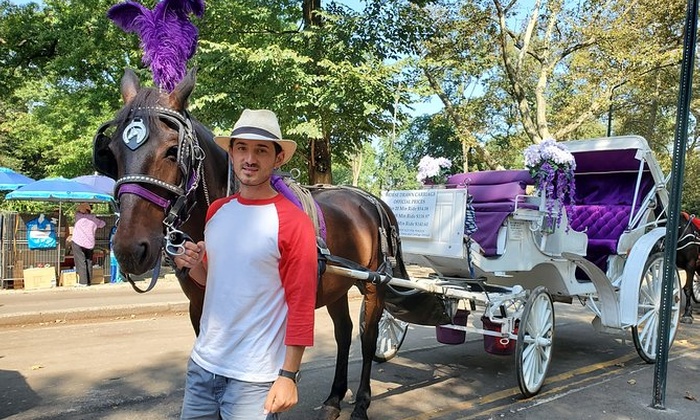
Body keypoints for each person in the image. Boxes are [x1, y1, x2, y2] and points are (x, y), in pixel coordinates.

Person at [174, 109, 318, 419]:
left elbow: (302, 305)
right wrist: (194, 262)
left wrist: (288, 375)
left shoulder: (294, 223)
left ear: (277, 158)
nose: (249, 158)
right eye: (242, 148)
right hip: (202, 368)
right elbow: (209, 279)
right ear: (232, 153)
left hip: (255, 380)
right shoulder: (217, 211)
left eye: (261, 150)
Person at [71, 203, 106, 286]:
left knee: (81, 261)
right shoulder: (95, 219)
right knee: (89, 261)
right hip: (90, 243)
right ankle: (89, 281)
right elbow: (103, 224)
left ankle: (83, 282)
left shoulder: (78, 216)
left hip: (78, 241)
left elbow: (76, 212)